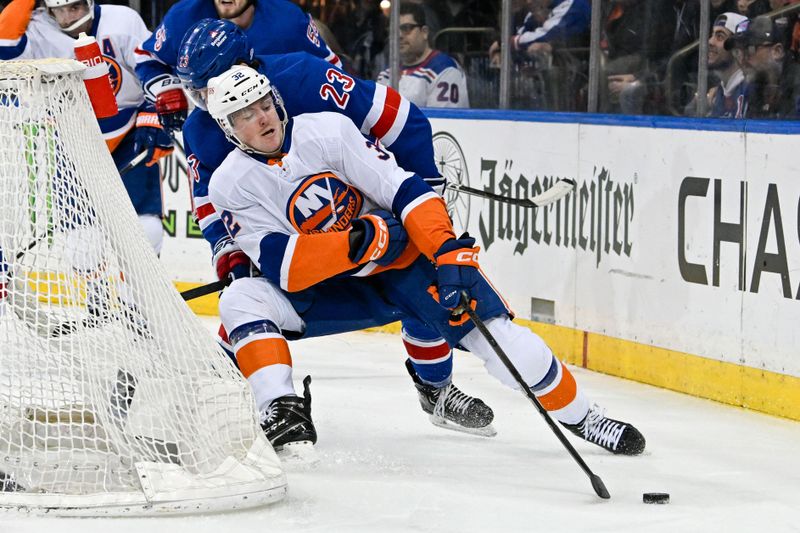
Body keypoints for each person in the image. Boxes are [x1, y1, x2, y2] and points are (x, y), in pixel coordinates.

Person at [204, 64, 647, 458]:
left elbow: (405, 190)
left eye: (263, 104)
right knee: (242, 299)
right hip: (331, 287)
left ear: (276, 101)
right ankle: (281, 411)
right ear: (229, 129)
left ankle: (585, 416)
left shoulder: (328, 132)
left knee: (496, 335)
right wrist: (365, 239)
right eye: (245, 115)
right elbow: (285, 266)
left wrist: (446, 248)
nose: (261, 118)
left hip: (404, 266)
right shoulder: (231, 183)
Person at [176, 19, 495, 440]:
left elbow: (402, 120)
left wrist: (420, 184)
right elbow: (208, 202)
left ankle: (435, 389)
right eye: (195, 92)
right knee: (247, 300)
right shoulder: (205, 126)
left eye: (206, 87)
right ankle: (235, 397)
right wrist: (233, 256)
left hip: (363, 201)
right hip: (295, 226)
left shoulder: (302, 77)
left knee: (424, 278)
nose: (202, 101)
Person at [0, 0, 167, 254]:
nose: (68, 17)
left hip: (131, 133)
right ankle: (95, 294)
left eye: (75, 7)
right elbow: (5, 46)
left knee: (146, 230)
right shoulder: (40, 29)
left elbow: (153, 67)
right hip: (73, 137)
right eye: (60, 10)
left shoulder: (122, 20)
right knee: (80, 243)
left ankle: (139, 293)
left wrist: (154, 113)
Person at [134, 0, 342, 136]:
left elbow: (333, 72)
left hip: (280, 132)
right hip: (216, 137)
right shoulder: (183, 17)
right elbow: (147, 58)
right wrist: (167, 90)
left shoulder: (288, 21)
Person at [376, 3, 469, 109]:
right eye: (393, 30)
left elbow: (442, 121)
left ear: (424, 32)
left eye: (406, 28)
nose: (399, 35)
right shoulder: (386, 75)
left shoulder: (445, 69)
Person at [727, 15, 800, 118]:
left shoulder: (796, 87)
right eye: (738, 52)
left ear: (777, 51)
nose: (742, 60)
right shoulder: (752, 89)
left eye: (750, 49)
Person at [687, 12, 751, 117]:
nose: (710, 41)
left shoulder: (750, 90)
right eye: (712, 35)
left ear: (738, 49)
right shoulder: (719, 93)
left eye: (720, 37)